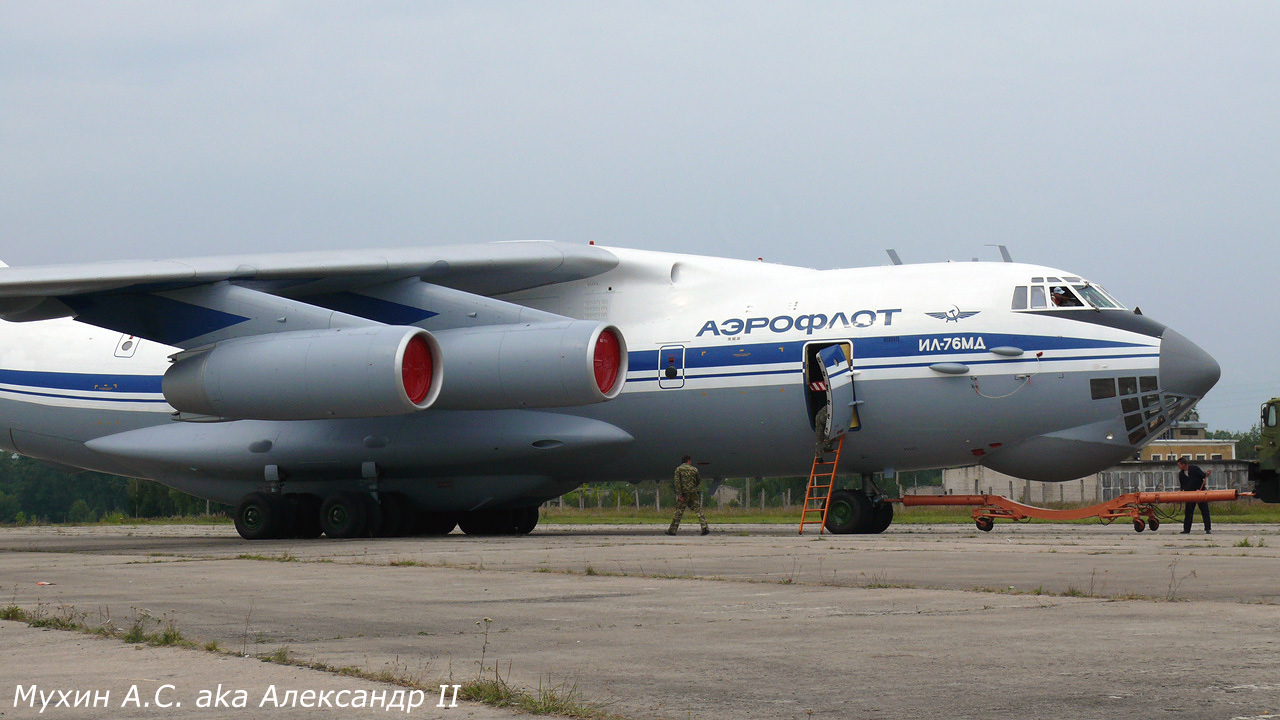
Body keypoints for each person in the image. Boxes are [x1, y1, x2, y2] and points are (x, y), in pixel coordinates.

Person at [667, 455, 709, 536]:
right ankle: (704, 527)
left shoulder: (679, 469)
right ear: (688, 461)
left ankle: (672, 530)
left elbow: (677, 482)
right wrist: (693, 487)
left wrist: (679, 494)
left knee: (679, 512)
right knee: (698, 510)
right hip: (693, 492)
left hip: (684, 493)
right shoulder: (694, 469)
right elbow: (698, 480)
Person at [1176, 458, 1212, 534]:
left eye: (1179, 465)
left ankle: (1207, 528)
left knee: (1205, 511)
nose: (1178, 467)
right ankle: (1186, 529)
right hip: (1190, 495)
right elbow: (1182, 486)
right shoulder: (1181, 474)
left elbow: (1203, 475)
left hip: (1200, 493)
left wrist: (1207, 474)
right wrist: (1182, 493)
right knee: (1188, 512)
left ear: (1183, 464)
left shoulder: (1194, 469)